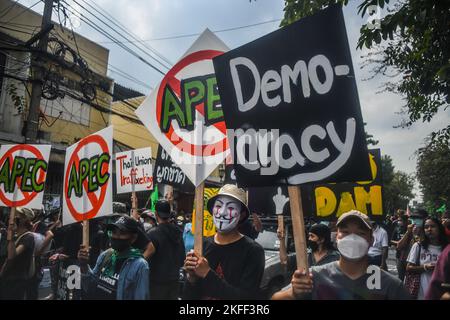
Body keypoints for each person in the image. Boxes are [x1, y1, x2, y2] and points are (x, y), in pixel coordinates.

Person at [272, 210, 410, 300]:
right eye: (345, 231)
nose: (353, 238)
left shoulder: (391, 286)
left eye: (361, 233)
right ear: (336, 238)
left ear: (371, 240)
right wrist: (294, 293)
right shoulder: (313, 277)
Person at [183, 184, 265, 300]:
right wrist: (191, 278)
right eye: (218, 206)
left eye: (231, 208)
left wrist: (207, 274)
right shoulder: (202, 245)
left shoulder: (253, 251)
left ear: (241, 215)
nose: (222, 213)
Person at [78, 215, 149, 300]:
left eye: (122, 233)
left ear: (133, 238)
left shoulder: (139, 265)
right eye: (114, 232)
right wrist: (84, 266)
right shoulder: (106, 255)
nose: (116, 237)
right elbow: (90, 286)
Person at [145, 200, 185, 300]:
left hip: (156, 282)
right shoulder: (178, 232)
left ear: (156, 214)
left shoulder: (152, 233)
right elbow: (182, 258)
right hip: (174, 280)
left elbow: (145, 258)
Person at [406, 217, 448, 300]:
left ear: (439, 228)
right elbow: (409, 268)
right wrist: (425, 267)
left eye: (433, 226)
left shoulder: (446, 248)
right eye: (426, 227)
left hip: (441, 292)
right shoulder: (418, 246)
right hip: (421, 292)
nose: (429, 229)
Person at [0, 207, 36, 299]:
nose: (13, 218)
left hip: (16, 280)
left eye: (17, 216)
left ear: (24, 220)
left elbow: (12, 255)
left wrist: (11, 235)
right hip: (7, 278)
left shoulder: (28, 237)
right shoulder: (16, 236)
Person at [391, 213, 409, 280]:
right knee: (400, 276)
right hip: (399, 255)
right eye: (398, 220)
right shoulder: (397, 229)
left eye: (400, 220)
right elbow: (391, 241)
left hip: (409, 257)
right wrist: (399, 243)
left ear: (406, 221)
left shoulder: (410, 230)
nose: (399, 222)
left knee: (409, 277)